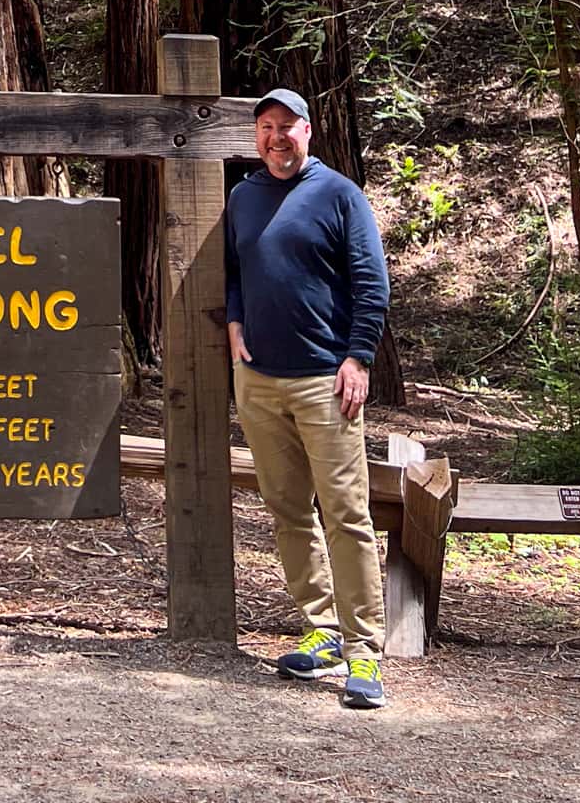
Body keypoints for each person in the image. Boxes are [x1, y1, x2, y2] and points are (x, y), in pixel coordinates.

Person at [226, 84, 391, 710]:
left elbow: (372, 283)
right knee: (288, 509)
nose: (276, 138)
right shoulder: (243, 195)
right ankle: (320, 628)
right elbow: (237, 270)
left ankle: (364, 652)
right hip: (260, 381)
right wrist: (236, 320)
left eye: (286, 126)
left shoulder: (339, 194)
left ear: (308, 132)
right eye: (265, 127)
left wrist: (358, 357)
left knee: (345, 512)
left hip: (327, 379)